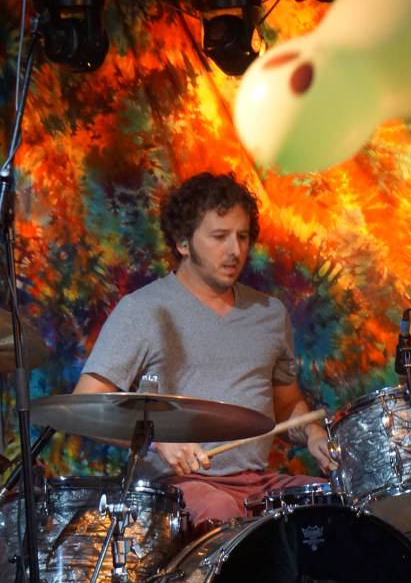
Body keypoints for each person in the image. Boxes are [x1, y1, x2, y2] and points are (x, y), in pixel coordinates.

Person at [74, 172, 337, 525]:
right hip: (175, 488)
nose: (235, 250)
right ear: (183, 243)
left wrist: (313, 433)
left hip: (259, 483)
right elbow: (86, 405)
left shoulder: (270, 314)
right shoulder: (143, 310)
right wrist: (157, 442)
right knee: (218, 510)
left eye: (243, 237)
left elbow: (287, 405)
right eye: (219, 237)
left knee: (330, 506)